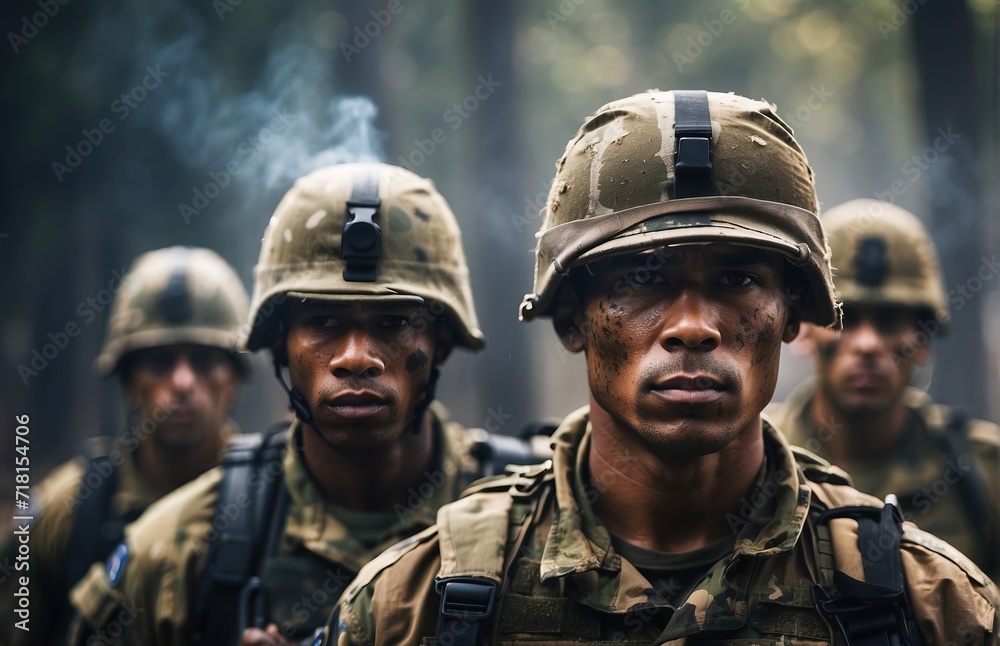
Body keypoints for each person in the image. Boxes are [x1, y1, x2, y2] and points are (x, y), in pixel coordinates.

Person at [325, 91, 1000, 645]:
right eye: (644, 279)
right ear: (571, 319)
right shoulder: (416, 607)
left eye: (736, 278)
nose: (693, 326)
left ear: (793, 317)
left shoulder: (929, 607)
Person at [68, 163, 548, 645]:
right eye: (323, 321)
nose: (356, 358)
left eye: (393, 322)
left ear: (441, 341)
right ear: (279, 344)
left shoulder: (537, 518)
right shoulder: (176, 553)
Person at [0, 246, 250, 646]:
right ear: (129, 379)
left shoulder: (273, 500)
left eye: (203, 361)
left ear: (234, 378)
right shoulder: (66, 510)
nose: (183, 383)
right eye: (160, 362)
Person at [766, 198, 1000, 580]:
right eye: (845, 317)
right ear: (805, 330)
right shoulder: (751, 461)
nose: (867, 344)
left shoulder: (983, 472)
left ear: (923, 341)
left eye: (890, 321)